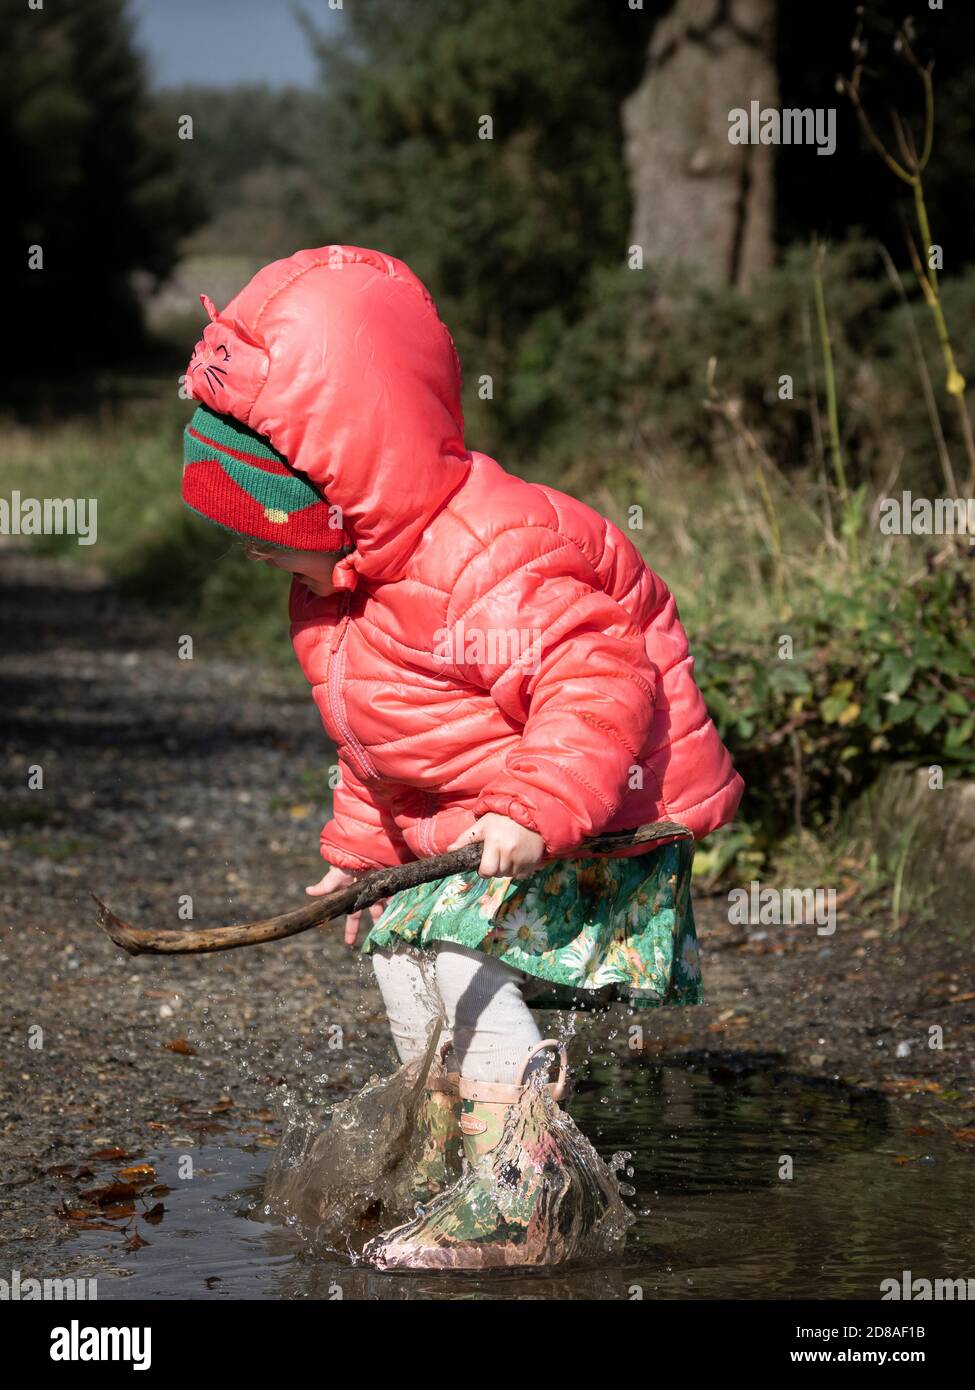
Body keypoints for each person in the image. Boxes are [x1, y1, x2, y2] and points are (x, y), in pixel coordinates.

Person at [180, 244, 743, 1268]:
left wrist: (535, 804)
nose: (255, 556)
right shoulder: (341, 594)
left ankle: (525, 1198)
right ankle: (448, 1149)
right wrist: (360, 853)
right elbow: (386, 747)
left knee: (449, 950)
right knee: (394, 936)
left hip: (595, 819)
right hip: (493, 827)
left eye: (264, 532)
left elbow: (597, 678)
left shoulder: (490, 556)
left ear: (341, 491)